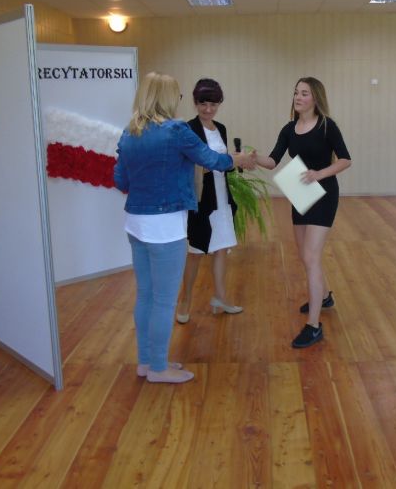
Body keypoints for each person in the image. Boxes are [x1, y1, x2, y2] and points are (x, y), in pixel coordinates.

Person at [113, 72, 256, 383]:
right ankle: (159, 369)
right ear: (167, 98)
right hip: (166, 227)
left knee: (146, 295)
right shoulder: (176, 130)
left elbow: (120, 180)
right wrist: (239, 159)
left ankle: (147, 362)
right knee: (164, 300)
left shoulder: (129, 132)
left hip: (136, 224)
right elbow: (213, 160)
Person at [254, 77, 351, 348]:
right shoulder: (289, 129)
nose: (298, 97)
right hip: (300, 194)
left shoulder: (327, 126)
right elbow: (272, 160)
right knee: (306, 256)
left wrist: (320, 173)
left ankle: (314, 326)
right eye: (296, 92)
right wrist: (253, 158)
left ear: (315, 98)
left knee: (310, 256)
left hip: (324, 195)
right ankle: (325, 297)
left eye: (304, 93)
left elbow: (345, 159)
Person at [176, 78, 243, 324]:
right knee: (195, 251)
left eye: (213, 104)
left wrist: (236, 161)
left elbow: (224, 164)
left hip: (221, 197)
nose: (208, 109)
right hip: (201, 199)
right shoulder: (188, 129)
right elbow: (188, 165)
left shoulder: (221, 128)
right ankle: (185, 300)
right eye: (203, 104)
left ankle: (220, 298)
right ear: (195, 103)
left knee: (221, 248)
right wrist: (218, 162)